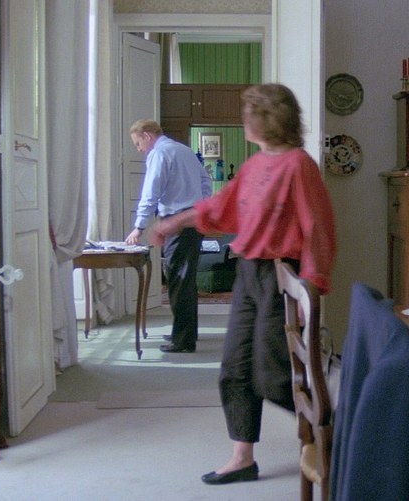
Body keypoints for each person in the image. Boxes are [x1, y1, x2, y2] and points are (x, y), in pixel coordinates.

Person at [148, 83, 337, 485]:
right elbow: (222, 207)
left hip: (281, 277)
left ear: (267, 120)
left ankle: (335, 431)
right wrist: (175, 222)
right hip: (248, 272)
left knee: (271, 375)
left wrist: (311, 289)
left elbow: (317, 228)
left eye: (249, 114)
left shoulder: (298, 165)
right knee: (234, 369)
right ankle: (242, 458)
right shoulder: (255, 165)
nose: (244, 121)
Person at [125, 119, 211, 353]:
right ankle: (185, 332)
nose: (139, 149)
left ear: (147, 135)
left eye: (138, 143)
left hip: (177, 222)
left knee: (178, 280)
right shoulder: (184, 150)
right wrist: (200, 208)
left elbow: (150, 191)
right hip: (193, 221)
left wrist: (139, 226)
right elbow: (206, 180)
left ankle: (183, 341)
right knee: (186, 279)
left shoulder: (159, 153)